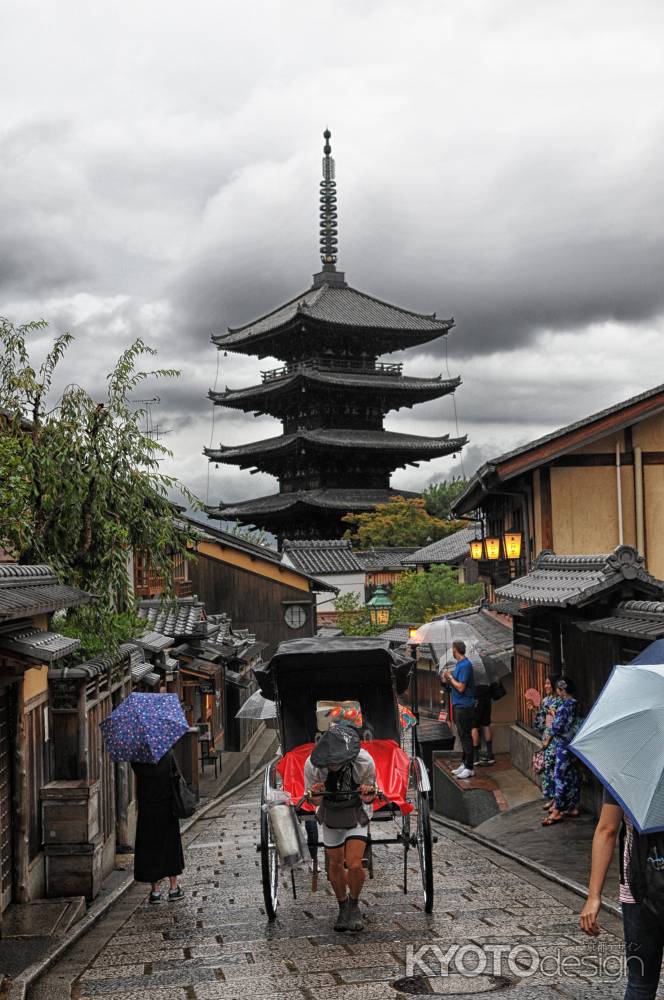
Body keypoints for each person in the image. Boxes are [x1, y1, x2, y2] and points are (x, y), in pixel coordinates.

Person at [580, 788, 660, 999]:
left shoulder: (628, 769)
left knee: (641, 982)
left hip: (638, 889)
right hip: (639, 889)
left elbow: (607, 829)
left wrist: (593, 896)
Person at [304, 724, 377, 932]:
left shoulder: (364, 761)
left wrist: (367, 793)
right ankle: (342, 905)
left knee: (354, 863)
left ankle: (354, 904)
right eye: (330, 762)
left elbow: (369, 797)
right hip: (331, 813)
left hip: (355, 811)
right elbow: (315, 803)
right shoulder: (312, 765)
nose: (333, 765)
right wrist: (317, 794)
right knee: (335, 864)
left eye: (337, 761)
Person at [132, 750, 185, 904]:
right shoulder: (168, 757)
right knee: (170, 846)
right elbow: (177, 776)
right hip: (166, 807)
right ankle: (173, 888)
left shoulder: (138, 760)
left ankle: (155, 891)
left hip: (147, 809)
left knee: (150, 847)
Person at [542, 677, 581, 826]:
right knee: (573, 774)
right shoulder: (576, 704)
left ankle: (557, 810)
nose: (557, 692)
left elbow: (557, 727)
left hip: (563, 744)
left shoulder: (565, 706)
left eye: (558, 689)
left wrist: (553, 715)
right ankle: (573, 806)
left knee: (560, 775)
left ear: (562, 690)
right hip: (573, 743)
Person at [442, 640, 477, 780]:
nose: (452, 651)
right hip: (459, 704)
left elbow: (461, 687)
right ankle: (464, 763)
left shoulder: (466, 665)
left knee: (466, 736)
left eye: (452, 649)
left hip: (465, 705)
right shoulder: (459, 665)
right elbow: (454, 684)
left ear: (455, 649)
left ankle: (469, 767)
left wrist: (450, 677)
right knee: (462, 735)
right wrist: (447, 679)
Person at [528, 676, 562, 811]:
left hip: (556, 736)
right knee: (547, 768)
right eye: (545, 683)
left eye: (548, 683)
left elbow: (558, 720)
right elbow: (540, 723)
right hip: (546, 734)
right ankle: (552, 797)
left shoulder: (559, 701)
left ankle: (557, 800)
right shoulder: (545, 700)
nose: (546, 686)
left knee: (555, 768)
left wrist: (549, 711)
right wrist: (535, 710)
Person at [472, 681, 494, 767]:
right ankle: (490, 754)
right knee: (486, 724)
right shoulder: (486, 670)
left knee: (473, 726)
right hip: (487, 696)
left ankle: (475, 756)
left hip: (476, 697)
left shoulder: (471, 669)